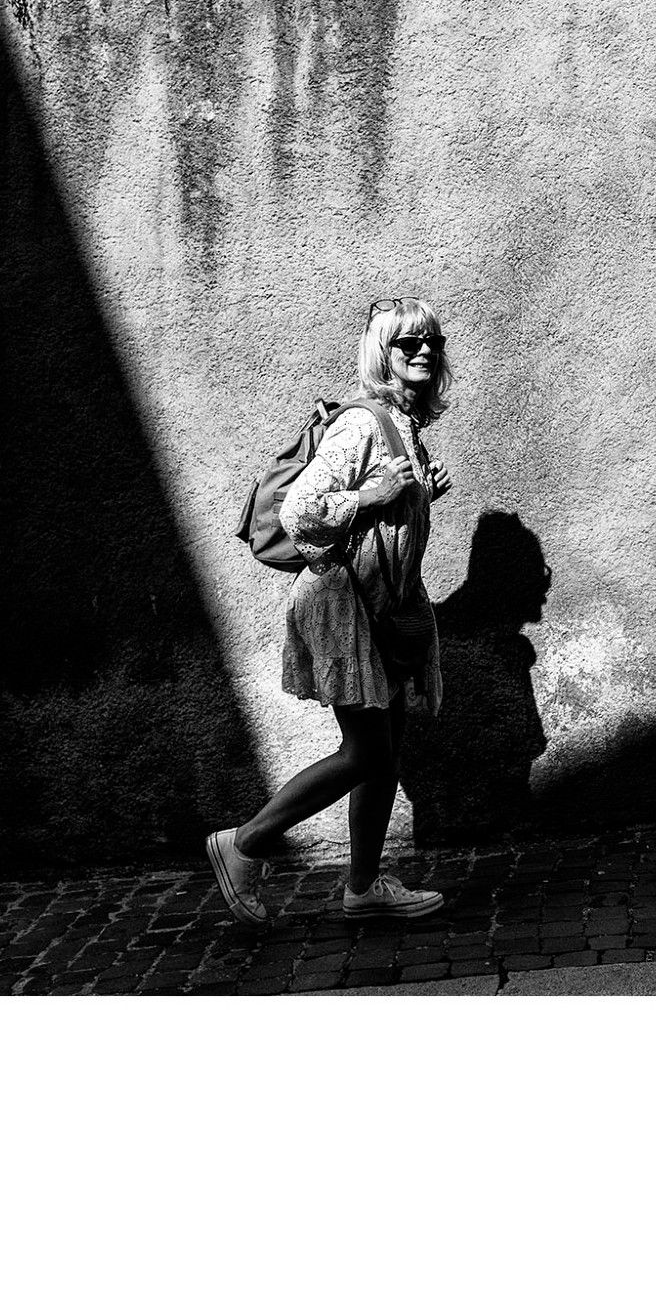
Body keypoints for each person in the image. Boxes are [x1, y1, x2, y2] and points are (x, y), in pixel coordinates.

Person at [207, 298, 454, 925]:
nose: (423, 350)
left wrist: (418, 492)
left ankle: (364, 886)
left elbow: (384, 519)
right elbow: (301, 512)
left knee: (387, 752)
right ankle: (244, 844)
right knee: (366, 752)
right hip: (345, 605)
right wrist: (371, 495)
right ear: (384, 357)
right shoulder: (362, 424)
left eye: (431, 340)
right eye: (407, 344)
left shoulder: (402, 427)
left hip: (382, 607)